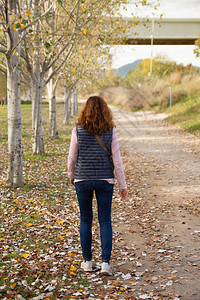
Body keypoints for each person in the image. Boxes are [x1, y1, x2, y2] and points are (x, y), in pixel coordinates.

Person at [68, 96, 128, 275]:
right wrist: (122, 185)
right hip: (104, 180)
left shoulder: (77, 131)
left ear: (85, 111)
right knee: (105, 220)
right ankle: (105, 264)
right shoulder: (111, 131)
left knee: (85, 219)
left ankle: (87, 261)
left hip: (83, 179)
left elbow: (72, 158)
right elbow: (117, 162)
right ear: (105, 111)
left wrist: (72, 176)